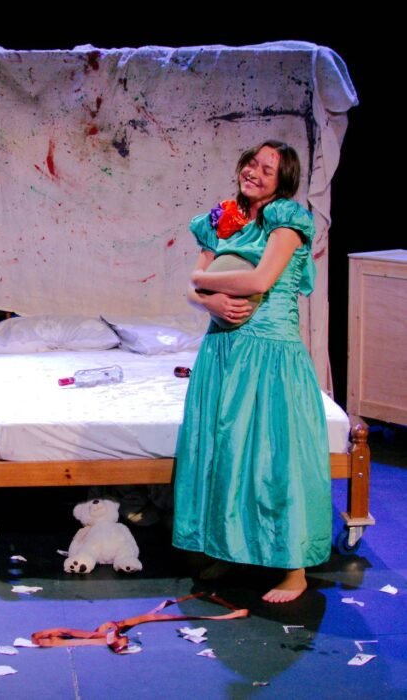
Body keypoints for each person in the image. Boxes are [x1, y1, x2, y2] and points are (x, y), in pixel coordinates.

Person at [172, 140, 331, 604]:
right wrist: (211, 302)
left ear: (283, 181)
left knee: (273, 457)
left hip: (268, 356)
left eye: (267, 169)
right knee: (225, 452)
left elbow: (260, 280)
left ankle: (294, 569)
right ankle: (231, 547)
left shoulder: (286, 220)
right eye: (251, 163)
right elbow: (193, 292)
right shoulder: (222, 219)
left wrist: (202, 283)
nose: (254, 173)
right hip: (223, 351)